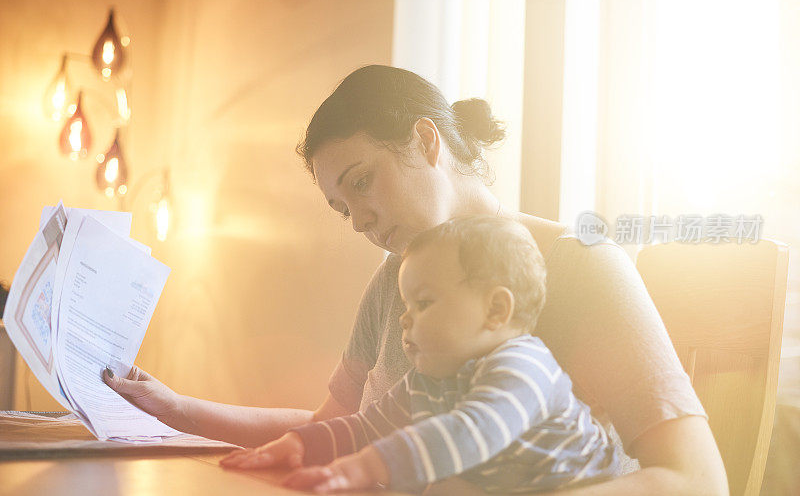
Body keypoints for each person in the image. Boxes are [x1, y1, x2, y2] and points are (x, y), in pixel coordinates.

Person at [104, 65, 728, 495]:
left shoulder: (578, 266)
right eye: (343, 208)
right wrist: (178, 411)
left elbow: (697, 482)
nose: (359, 219)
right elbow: (333, 428)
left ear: (425, 142)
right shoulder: (395, 283)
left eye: (361, 182)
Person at [222, 215, 622, 494]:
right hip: (504, 480)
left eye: (424, 303)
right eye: (405, 306)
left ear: (496, 310)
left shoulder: (524, 367)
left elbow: (470, 432)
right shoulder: (431, 377)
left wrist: (364, 467)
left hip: (575, 486)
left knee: (446, 483)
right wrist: (301, 444)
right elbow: (368, 429)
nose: (404, 320)